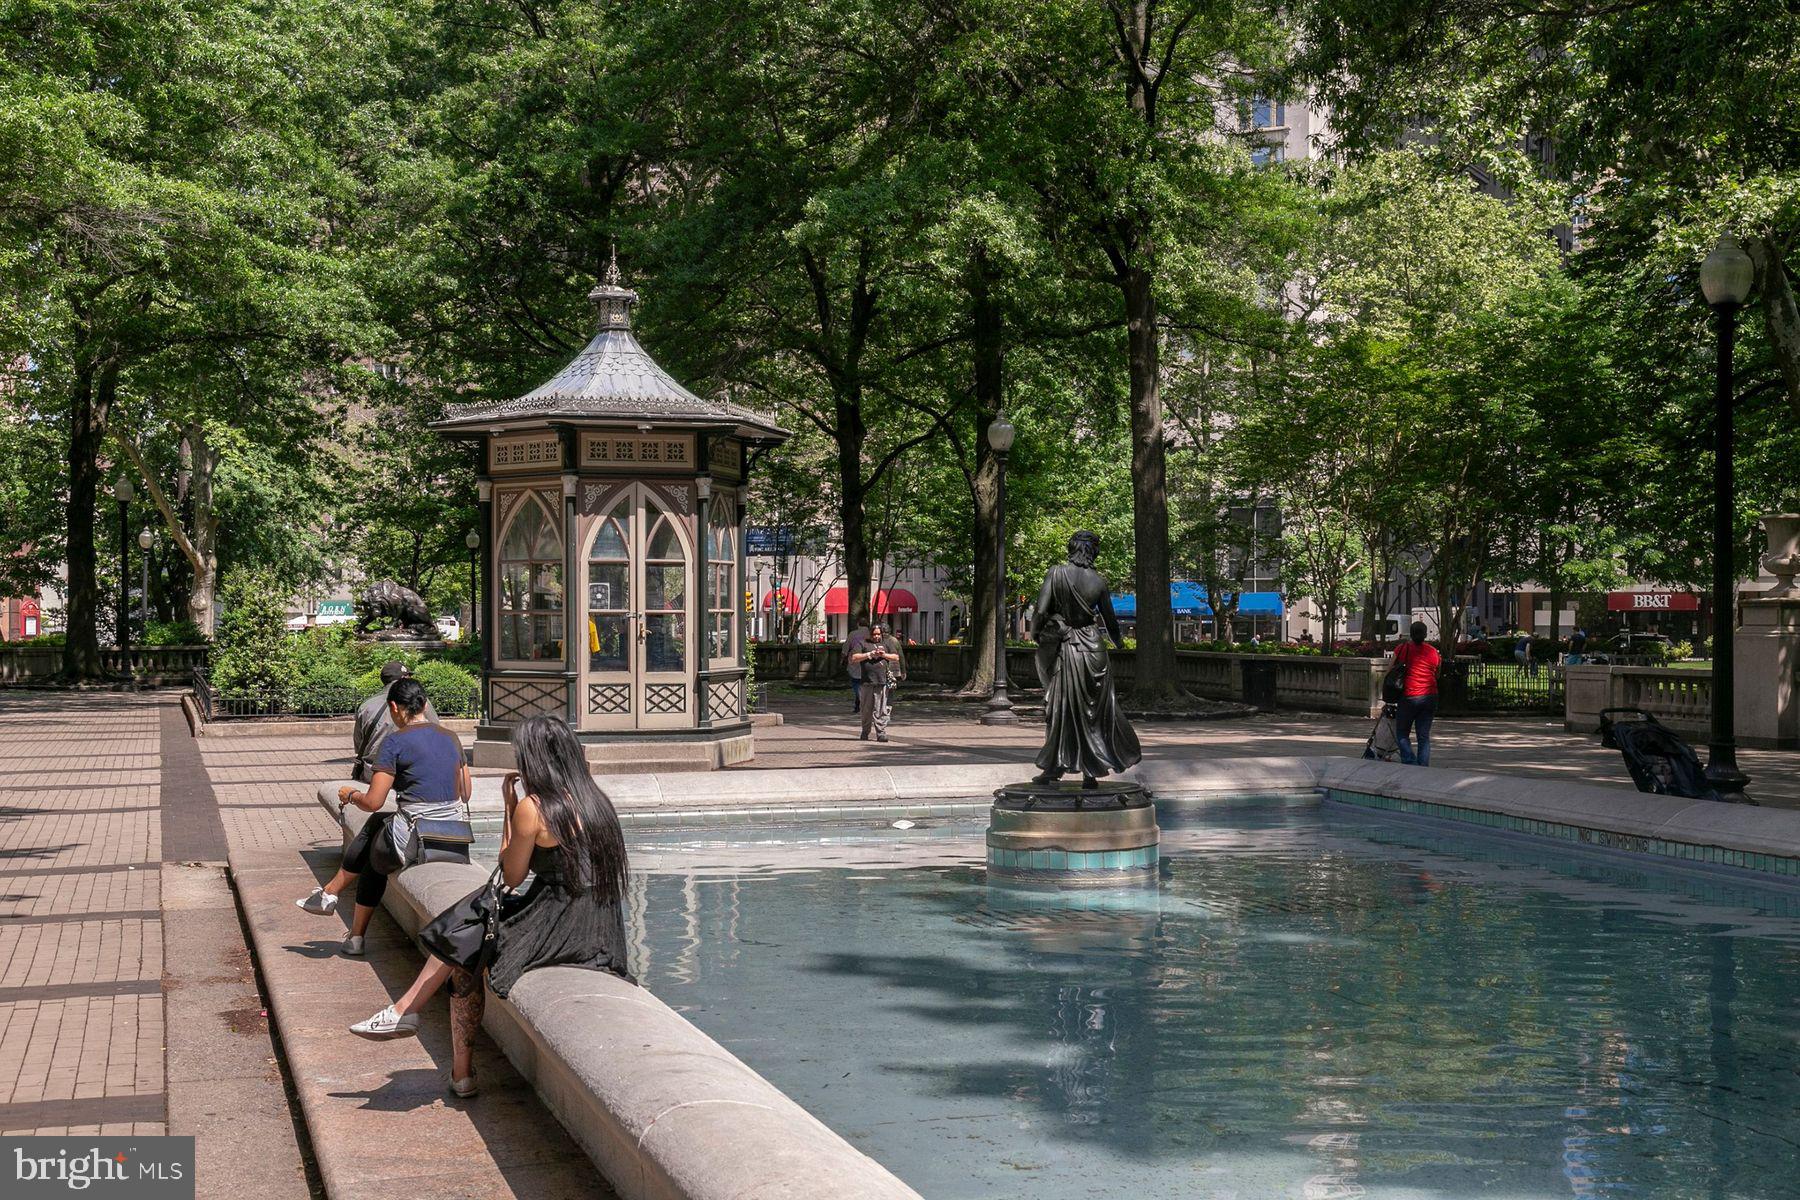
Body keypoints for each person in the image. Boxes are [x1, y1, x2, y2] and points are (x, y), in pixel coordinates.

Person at [348, 715, 634, 1098]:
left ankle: (439, 1048)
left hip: (557, 924)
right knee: (470, 932)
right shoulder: (597, 801)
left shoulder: (534, 807)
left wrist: (509, 808)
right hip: (598, 924)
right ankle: (410, 1018)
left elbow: (511, 874)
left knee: (469, 940)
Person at [299, 678, 471, 955]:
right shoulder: (450, 737)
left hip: (417, 837)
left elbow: (373, 802)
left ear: (394, 707)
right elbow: (466, 792)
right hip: (453, 833)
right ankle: (331, 896)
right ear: (425, 705)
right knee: (379, 829)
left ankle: (344, 916)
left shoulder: (395, 742)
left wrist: (350, 794)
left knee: (375, 856)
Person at [1031, 530, 1142, 787]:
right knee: (1094, 712)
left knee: (1060, 708)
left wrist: (1037, 634)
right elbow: (1110, 621)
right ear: (1093, 552)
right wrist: (1120, 643)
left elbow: (1040, 609)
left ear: (1072, 549)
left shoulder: (1056, 573)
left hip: (1066, 648)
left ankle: (1053, 768)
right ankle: (1090, 773)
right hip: (1093, 650)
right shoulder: (1098, 582)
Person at [351, 661, 438, 783]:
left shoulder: (366, 706)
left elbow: (359, 744)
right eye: (409, 677)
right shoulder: (417, 700)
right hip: (410, 773)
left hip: (373, 773)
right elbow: (436, 731)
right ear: (403, 679)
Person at [1391, 621, 1441, 767]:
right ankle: (1423, 767)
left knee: (1401, 733)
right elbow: (1437, 673)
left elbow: (1390, 670)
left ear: (1411, 634)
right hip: (1430, 696)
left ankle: (1410, 761)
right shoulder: (1433, 651)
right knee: (1423, 736)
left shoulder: (1402, 649)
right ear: (1425, 635)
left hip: (1409, 696)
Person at [850, 622, 905, 742]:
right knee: (866, 709)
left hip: (881, 681)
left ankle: (881, 733)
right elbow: (854, 658)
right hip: (866, 682)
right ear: (870, 634)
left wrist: (884, 654)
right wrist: (869, 654)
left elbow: (896, 657)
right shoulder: (863, 643)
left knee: (881, 709)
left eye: (878, 634)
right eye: (874, 634)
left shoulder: (886, 643)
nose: (876, 636)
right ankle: (865, 731)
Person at [842, 622, 871, 714]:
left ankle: (859, 700)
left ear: (858, 623)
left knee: (856, 682)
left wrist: (843, 658)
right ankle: (863, 702)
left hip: (855, 661)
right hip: (869, 661)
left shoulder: (853, 634)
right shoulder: (871, 633)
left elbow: (845, 648)